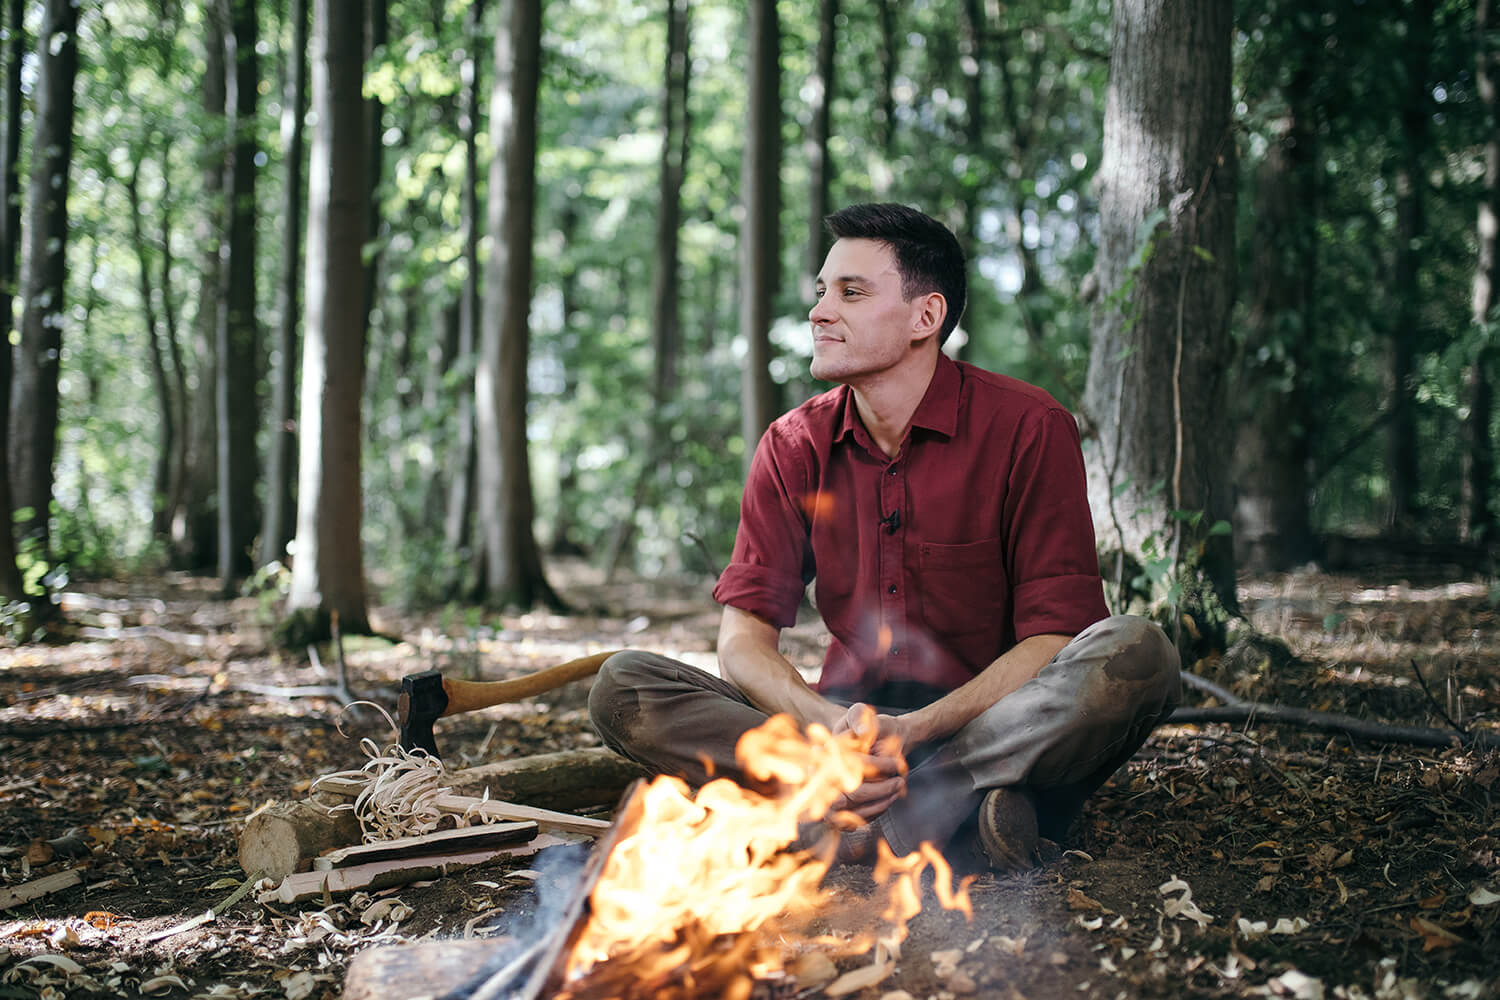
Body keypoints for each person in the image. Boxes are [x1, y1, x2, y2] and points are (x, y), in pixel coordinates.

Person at [588, 203, 1180, 872]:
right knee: (624, 686)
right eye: (820, 292)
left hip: (991, 728)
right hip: (839, 736)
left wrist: (919, 729)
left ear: (926, 317)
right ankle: (951, 823)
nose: (818, 312)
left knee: (1141, 652)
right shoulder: (793, 445)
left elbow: (1055, 637)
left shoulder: (1028, 427)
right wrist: (825, 729)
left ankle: (874, 822)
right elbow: (743, 642)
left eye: (850, 292)